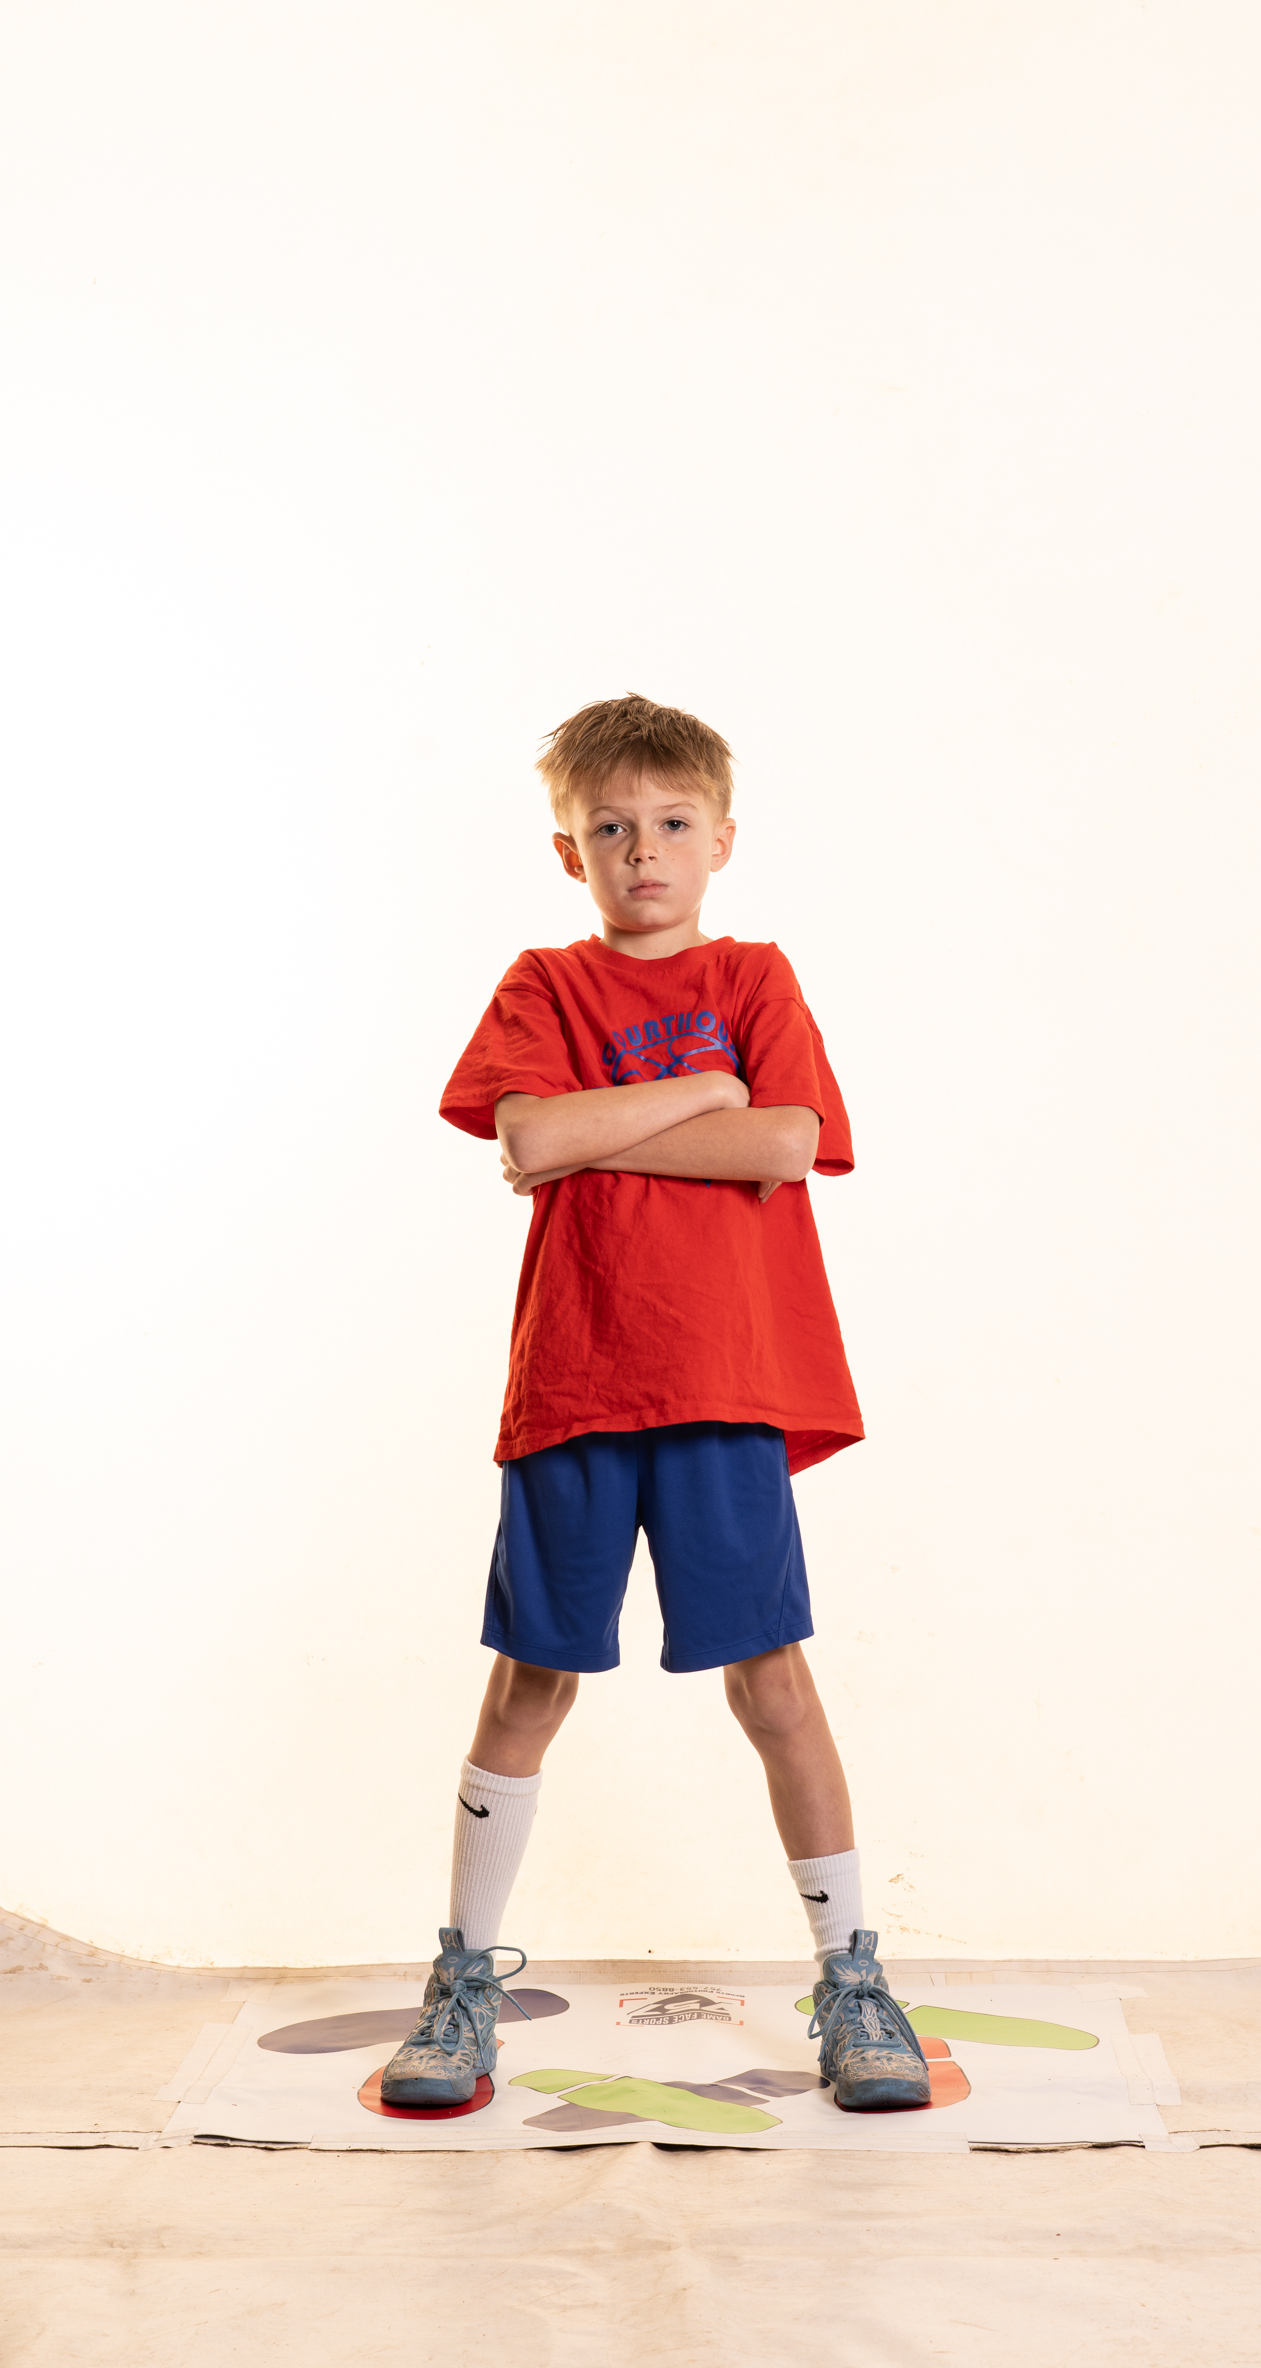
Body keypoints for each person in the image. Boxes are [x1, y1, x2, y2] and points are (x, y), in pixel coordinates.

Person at [381, 694, 929, 2115]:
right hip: (575, 1379)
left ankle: (852, 1975)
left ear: (721, 839)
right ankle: (461, 1977)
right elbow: (529, 1133)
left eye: (672, 824)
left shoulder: (754, 973)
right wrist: (697, 1090)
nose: (643, 852)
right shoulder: (544, 984)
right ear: (569, 851)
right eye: (611, 828)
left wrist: (614, 1131)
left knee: (772, 1680)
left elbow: (787, 1141)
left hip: (722, 1378)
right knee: (529, 1681)